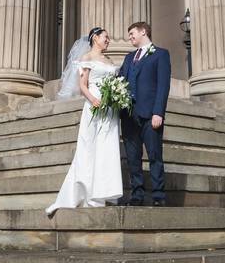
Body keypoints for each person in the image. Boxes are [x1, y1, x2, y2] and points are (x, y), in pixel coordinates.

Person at [45, 27, 123, 216]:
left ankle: (101, 194)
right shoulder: (87, 58)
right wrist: (93, 99)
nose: (108, 40)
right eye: (106, 37)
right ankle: (82, 193)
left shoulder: (109, 61)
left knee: (107, 148)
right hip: (93, 106)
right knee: (88, 148)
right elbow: (82, 85)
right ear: (95, 38)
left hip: (109, 109)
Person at [118, 21, 171, 207]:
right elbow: (120, 81)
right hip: (128, 116)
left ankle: (158, 195)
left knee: (155, 155)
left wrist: (159, 112)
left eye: (132, 33)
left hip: (150, 115)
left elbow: (163, 86)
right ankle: (137, 194)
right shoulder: (128, 58)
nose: (130, 37)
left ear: (143, 31)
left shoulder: (161, 54)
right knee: (133, 157)